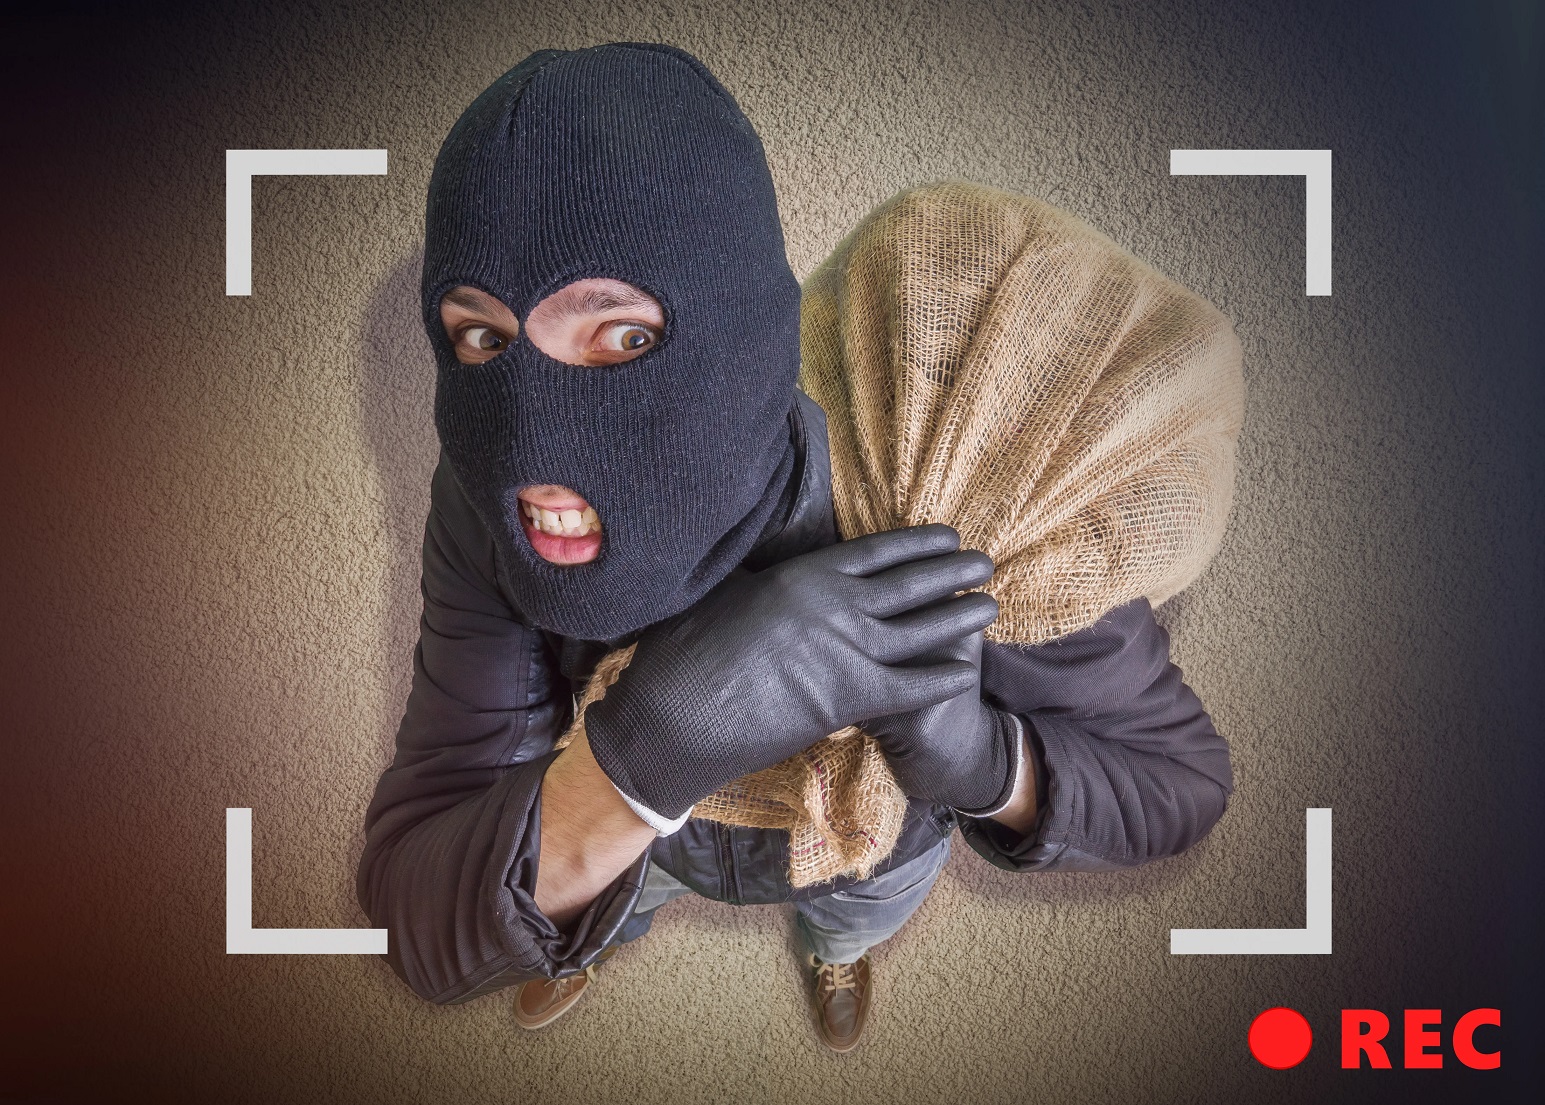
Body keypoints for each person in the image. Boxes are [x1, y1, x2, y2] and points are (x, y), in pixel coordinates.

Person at [355, 42, 1233, 1054]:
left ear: (744, 336)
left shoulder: (953, 497)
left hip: (867, 848)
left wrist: (979, 757)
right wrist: (640, 762)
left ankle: (836, 956)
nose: (535, 444)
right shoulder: (489, 502)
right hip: (659, 849)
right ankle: (587, 944)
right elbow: (417, 900)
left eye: (624, 337)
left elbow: (1180, 782)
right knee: (608, 902)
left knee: (854, 912)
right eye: (484, 340)